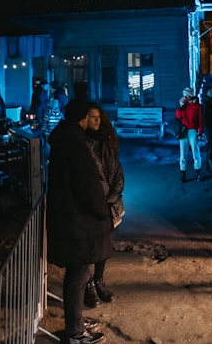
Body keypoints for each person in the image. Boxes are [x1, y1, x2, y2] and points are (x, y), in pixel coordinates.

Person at [46, 101, 111, 344]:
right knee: (79, 275)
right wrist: (103, 211)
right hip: (78, 223)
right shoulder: (75, 144)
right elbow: (87, 187)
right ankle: (75, 333)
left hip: (70, 219)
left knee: (78, 275)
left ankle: (76, 322)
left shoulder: (65, 140)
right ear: (83, 116)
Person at [83, 103, 125, 309]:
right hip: (89, 205)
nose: (96, 120)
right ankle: (88, 284)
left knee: (104, 246)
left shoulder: (105, 144)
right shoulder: (82, 145)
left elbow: (117, 174)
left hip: (108, 205)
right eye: (92, 117)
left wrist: (113, 196)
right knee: (87, 248)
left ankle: (99, 281)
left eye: (98, 117)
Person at [176, 87, 204, 182]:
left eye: (186, 96)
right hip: (184, 130)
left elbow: (200, 120)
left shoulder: (197, 106)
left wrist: (200, 132)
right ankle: (182, 173)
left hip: (193, 130)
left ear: (189, 96)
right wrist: (181, 106)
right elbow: (178, 116)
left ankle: (197, 172)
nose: (184, 97)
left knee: (195, 151)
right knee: (182, 153)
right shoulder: (183, 106)